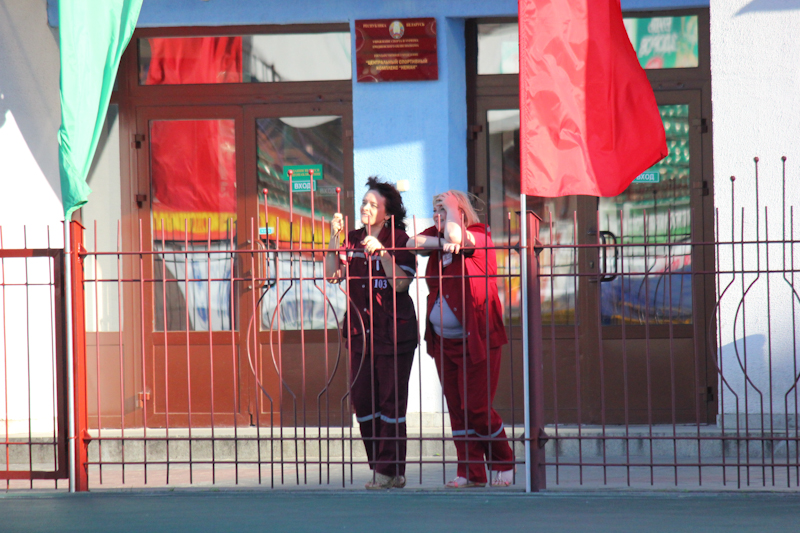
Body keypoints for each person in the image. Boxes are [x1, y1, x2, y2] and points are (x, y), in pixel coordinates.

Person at [408, 190, 515, 488]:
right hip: (444, 341)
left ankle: (504, 461)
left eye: (443, 209)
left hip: (478, 340)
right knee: (457, 409)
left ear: (462, 212)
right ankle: (470, 472)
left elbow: (457, 237)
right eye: (435, 209)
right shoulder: (439, 236)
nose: (437, 215)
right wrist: (441, 242)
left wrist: (453, 217)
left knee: (477, 407)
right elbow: (411, 243)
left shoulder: (479, 236)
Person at [325, 177, 418, 490]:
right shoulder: (352, 239)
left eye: (373, 204)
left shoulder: (400, 240)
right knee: (364, 403)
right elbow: (332, 275)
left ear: (387, 214)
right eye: (364, 202)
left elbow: (401, 284)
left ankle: (388, 471)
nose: (365, 207)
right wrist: (334, 238)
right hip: (359, 334)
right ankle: (383, 467)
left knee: (392, 404)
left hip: (394, 334)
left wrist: (383, 254)